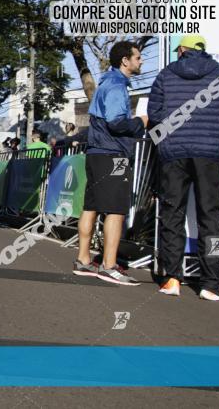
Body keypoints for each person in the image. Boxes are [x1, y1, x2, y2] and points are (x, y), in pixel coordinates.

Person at [148, 34, 219, 301]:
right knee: (211, 218)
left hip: (174, 150)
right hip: (209, 153)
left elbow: (155, 113)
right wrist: (214, 133)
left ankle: (171, 279)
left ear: (184, 50)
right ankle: (210, 284)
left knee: (172, 213)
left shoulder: (166, 74)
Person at [73, 41, 147, 285]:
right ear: (125, 61)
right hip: (112, 153)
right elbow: (117, 123)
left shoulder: (106, 82)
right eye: (138, 57)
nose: (141, 61)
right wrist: (140, 122)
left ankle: (83, 260)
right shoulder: (116, 85)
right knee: (116, 210)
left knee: (91, 206)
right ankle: (109, 266)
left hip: (96, 152)